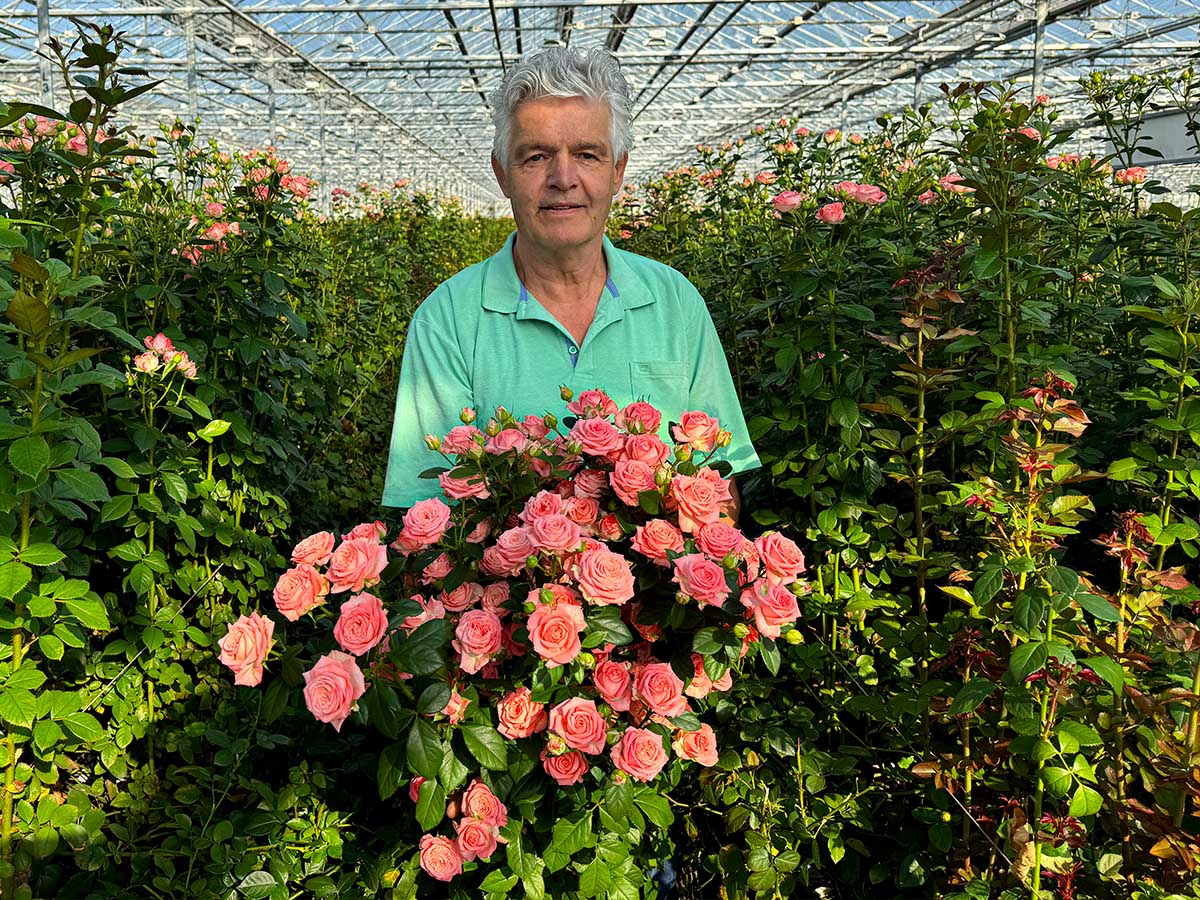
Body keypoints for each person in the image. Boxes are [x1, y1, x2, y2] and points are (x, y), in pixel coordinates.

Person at [381, 46, 759, 514]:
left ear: (617, 170)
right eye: (536, 156)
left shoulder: (674, 302)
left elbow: (719, 486)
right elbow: (427, 518)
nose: (563, 178)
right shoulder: (448, 321)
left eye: (587, 154)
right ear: (502, 173)